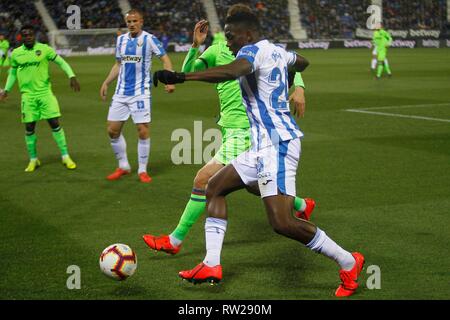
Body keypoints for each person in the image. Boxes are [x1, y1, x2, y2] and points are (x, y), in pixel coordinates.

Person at [153, 9, 365, 297]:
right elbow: (303, 61)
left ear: (248, 34)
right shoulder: (275, 50)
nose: (227, 42)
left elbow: (232, 71)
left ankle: (349, 261)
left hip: (277, 144)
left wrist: (181, 76)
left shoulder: (252, 51)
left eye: (230, 36)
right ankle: (211, 264)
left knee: (282, 223)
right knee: (214, 187)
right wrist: (287, 77)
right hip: (260, 146)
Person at [143, 7, 315, 255]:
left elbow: (284, 63)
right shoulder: (216, 50)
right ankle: (301, 203)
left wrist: (299, 87)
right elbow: (188, 69)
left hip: (249, 129)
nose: (229, 36)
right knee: (251, 183)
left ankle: (175, 240)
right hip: (229, 126)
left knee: (204, 180)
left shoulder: (255, 50)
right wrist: (195, 45)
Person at [100, 9, 175, 183]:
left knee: (142, 130)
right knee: (112, 131)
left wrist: (170, 80)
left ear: (141, 22)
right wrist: (106, 82)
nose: (132, 24)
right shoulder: (121, 40)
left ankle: (142, 170)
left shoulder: (149, 39)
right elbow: (118, 64)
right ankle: (123, 166)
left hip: (140, 93)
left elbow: (165, 59)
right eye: (129, 22)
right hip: (121, 93)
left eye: (135, 21)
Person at [0, 25, 80, 172]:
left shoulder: (44, 49)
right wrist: (6, 90)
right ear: (21, 37)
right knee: (29, 128)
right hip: (28, 96)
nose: (28, 37)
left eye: (30, 34)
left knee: (54, 123)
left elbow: (61, 62)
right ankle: (33, 159)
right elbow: (12, 73)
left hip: (45, 94)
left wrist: (72, 76)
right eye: (25, 35)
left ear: (34, 35)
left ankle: (65, 156)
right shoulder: (16, 53)